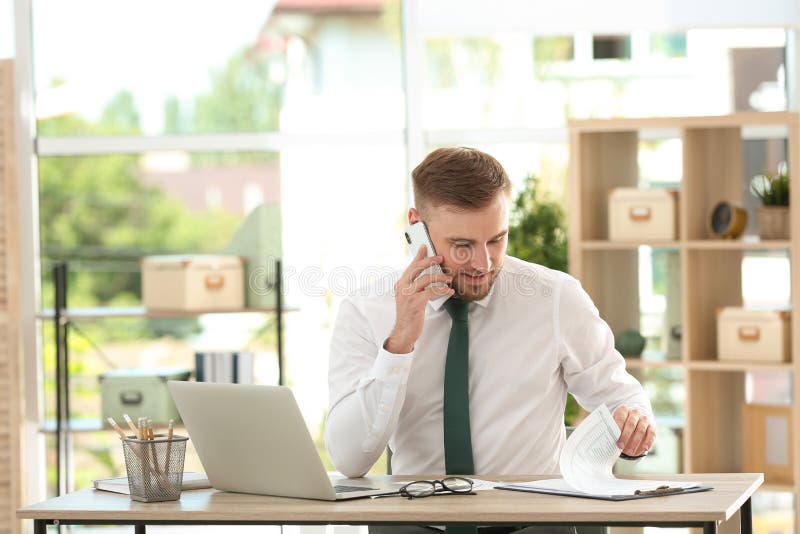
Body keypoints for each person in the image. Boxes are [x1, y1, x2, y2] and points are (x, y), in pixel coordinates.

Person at [325, 147, 655, 534]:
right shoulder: (365, 311)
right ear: (417, 227)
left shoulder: (555, 298)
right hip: (414, 525)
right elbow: (350, 460)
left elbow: (622, 398)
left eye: (497, 240)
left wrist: (632, 425)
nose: (483, 264)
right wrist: (399, 342)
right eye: (462, 245)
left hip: (535, 526)